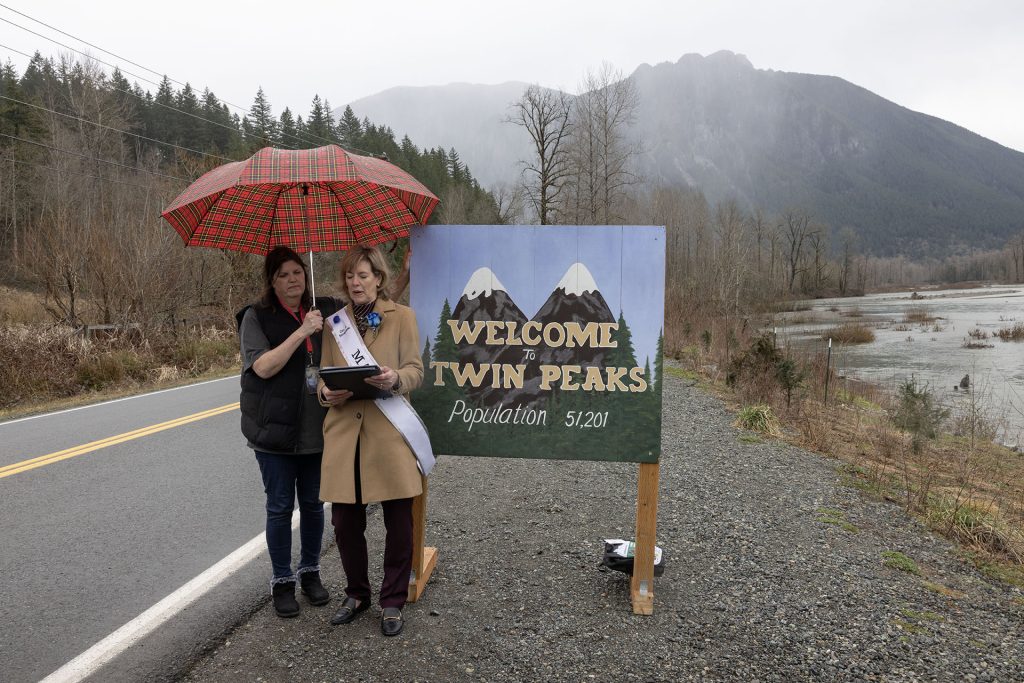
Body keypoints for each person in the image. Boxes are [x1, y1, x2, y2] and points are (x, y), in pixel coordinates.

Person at [317, 245, 424, 637]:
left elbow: (416, 370)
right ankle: (357, 593)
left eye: (363, 275)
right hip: (346, 433)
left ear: (379, 278)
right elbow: (325, 377)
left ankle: (392, 599)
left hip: (388, 433)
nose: (355, 283)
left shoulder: (403, 318)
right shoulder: (335, 324)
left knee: (399, 520)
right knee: (345, 523)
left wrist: (395, 378)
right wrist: (326, 394)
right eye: (350, 276)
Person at [237, 246, 339, 618]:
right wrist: (303, 331)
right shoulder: (256, 317)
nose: (294, 279)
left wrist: (406, 273)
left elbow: (371, 309)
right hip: (274, 435)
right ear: (272, 281)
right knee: (280, 508)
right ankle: (282, 582)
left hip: (318, 431)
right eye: (284, 274)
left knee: (314, 506)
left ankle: (310, 572)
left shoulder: (325, 308)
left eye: (298, 272)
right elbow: (262, 367)